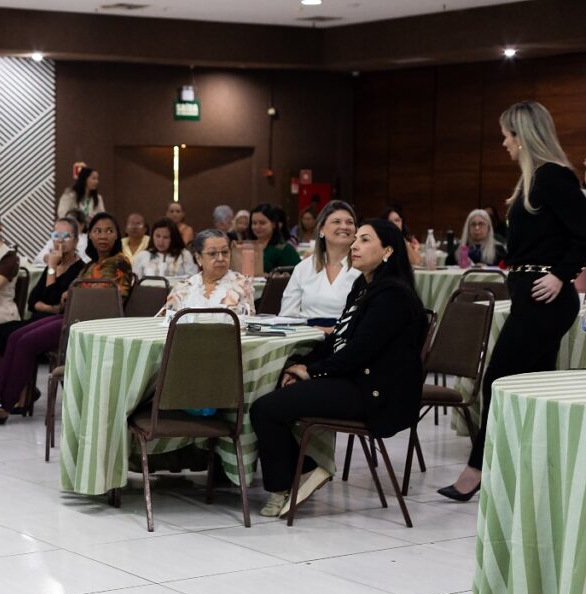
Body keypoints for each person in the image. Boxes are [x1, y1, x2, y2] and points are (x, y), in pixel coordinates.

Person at [439, 101, 586, 502]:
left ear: (524, 136)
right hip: (530, 295)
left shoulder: (553, 177)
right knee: (529, 386)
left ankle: (477, 470)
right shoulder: (533, 180)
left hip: (545, 297)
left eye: (507, 135)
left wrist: (561, 274)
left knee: (498, 380)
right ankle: (527, 472)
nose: (504, 142)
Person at [250, 219, 427, 518]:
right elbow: (339, 339)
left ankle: (291, 480)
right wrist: (302, 365)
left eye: (365, 240)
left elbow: (359, 352)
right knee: (273, 397)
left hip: (375, 393)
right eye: (355, 239)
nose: (354, 245)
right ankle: (303, 471)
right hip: (355, 380)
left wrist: (313, 373)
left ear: (387, 251)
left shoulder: (392, 295)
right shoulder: (364, 285)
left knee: (264, 409)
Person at [0, 212, 131, 423]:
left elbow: (106, 296)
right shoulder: (92, 265)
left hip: (91, 323)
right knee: (17, 336)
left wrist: (73, 293)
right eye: (97, 231)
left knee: (25, 342)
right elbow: (64, 295)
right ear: (90, 236)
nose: (103, 236)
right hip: (73, 315)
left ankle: (3, 405)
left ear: (117, 236)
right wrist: (72, 294)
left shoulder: (119, 262)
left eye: (109, 231)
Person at [0, 218, 86, 373]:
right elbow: (32, 301)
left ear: (76, 241)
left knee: (13, 339)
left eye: (66, 236)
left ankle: (16, 388)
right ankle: (14, 383)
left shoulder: (79, 269)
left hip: (52, 325)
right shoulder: (55, 263)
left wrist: (51, 268)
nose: (60, 240)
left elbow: (53, 298)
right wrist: (51, 307)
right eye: (56, 235)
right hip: (36, 319)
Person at [279, 200, 362, 325]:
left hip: (347, 339)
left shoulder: (363, 268)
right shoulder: (303, 268)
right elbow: (287, 315)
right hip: (306, 338)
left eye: (350, 222)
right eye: (336, 222)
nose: (344, 226)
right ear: (321, 230)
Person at [162, 229, 254, 317]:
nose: (221, 258)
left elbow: (249, 323)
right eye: (212, 253)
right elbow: (164, 321)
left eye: (225, 252)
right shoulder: (184, 287)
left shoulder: (242, 285)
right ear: (198, 258)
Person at [237, 203, 301, 273]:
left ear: (273, 224)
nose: (257, 227)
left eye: (262, 223)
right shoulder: (246, 247)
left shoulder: (284, 249)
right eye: (254, 223)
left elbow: (298, 274)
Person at [132, 218, 198, 279]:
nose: (161, 241)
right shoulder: (143, 255)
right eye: (157, 236)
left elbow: (192, 279)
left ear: (173, 238)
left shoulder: (184, 255)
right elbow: (135, 282)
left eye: (166, 237)